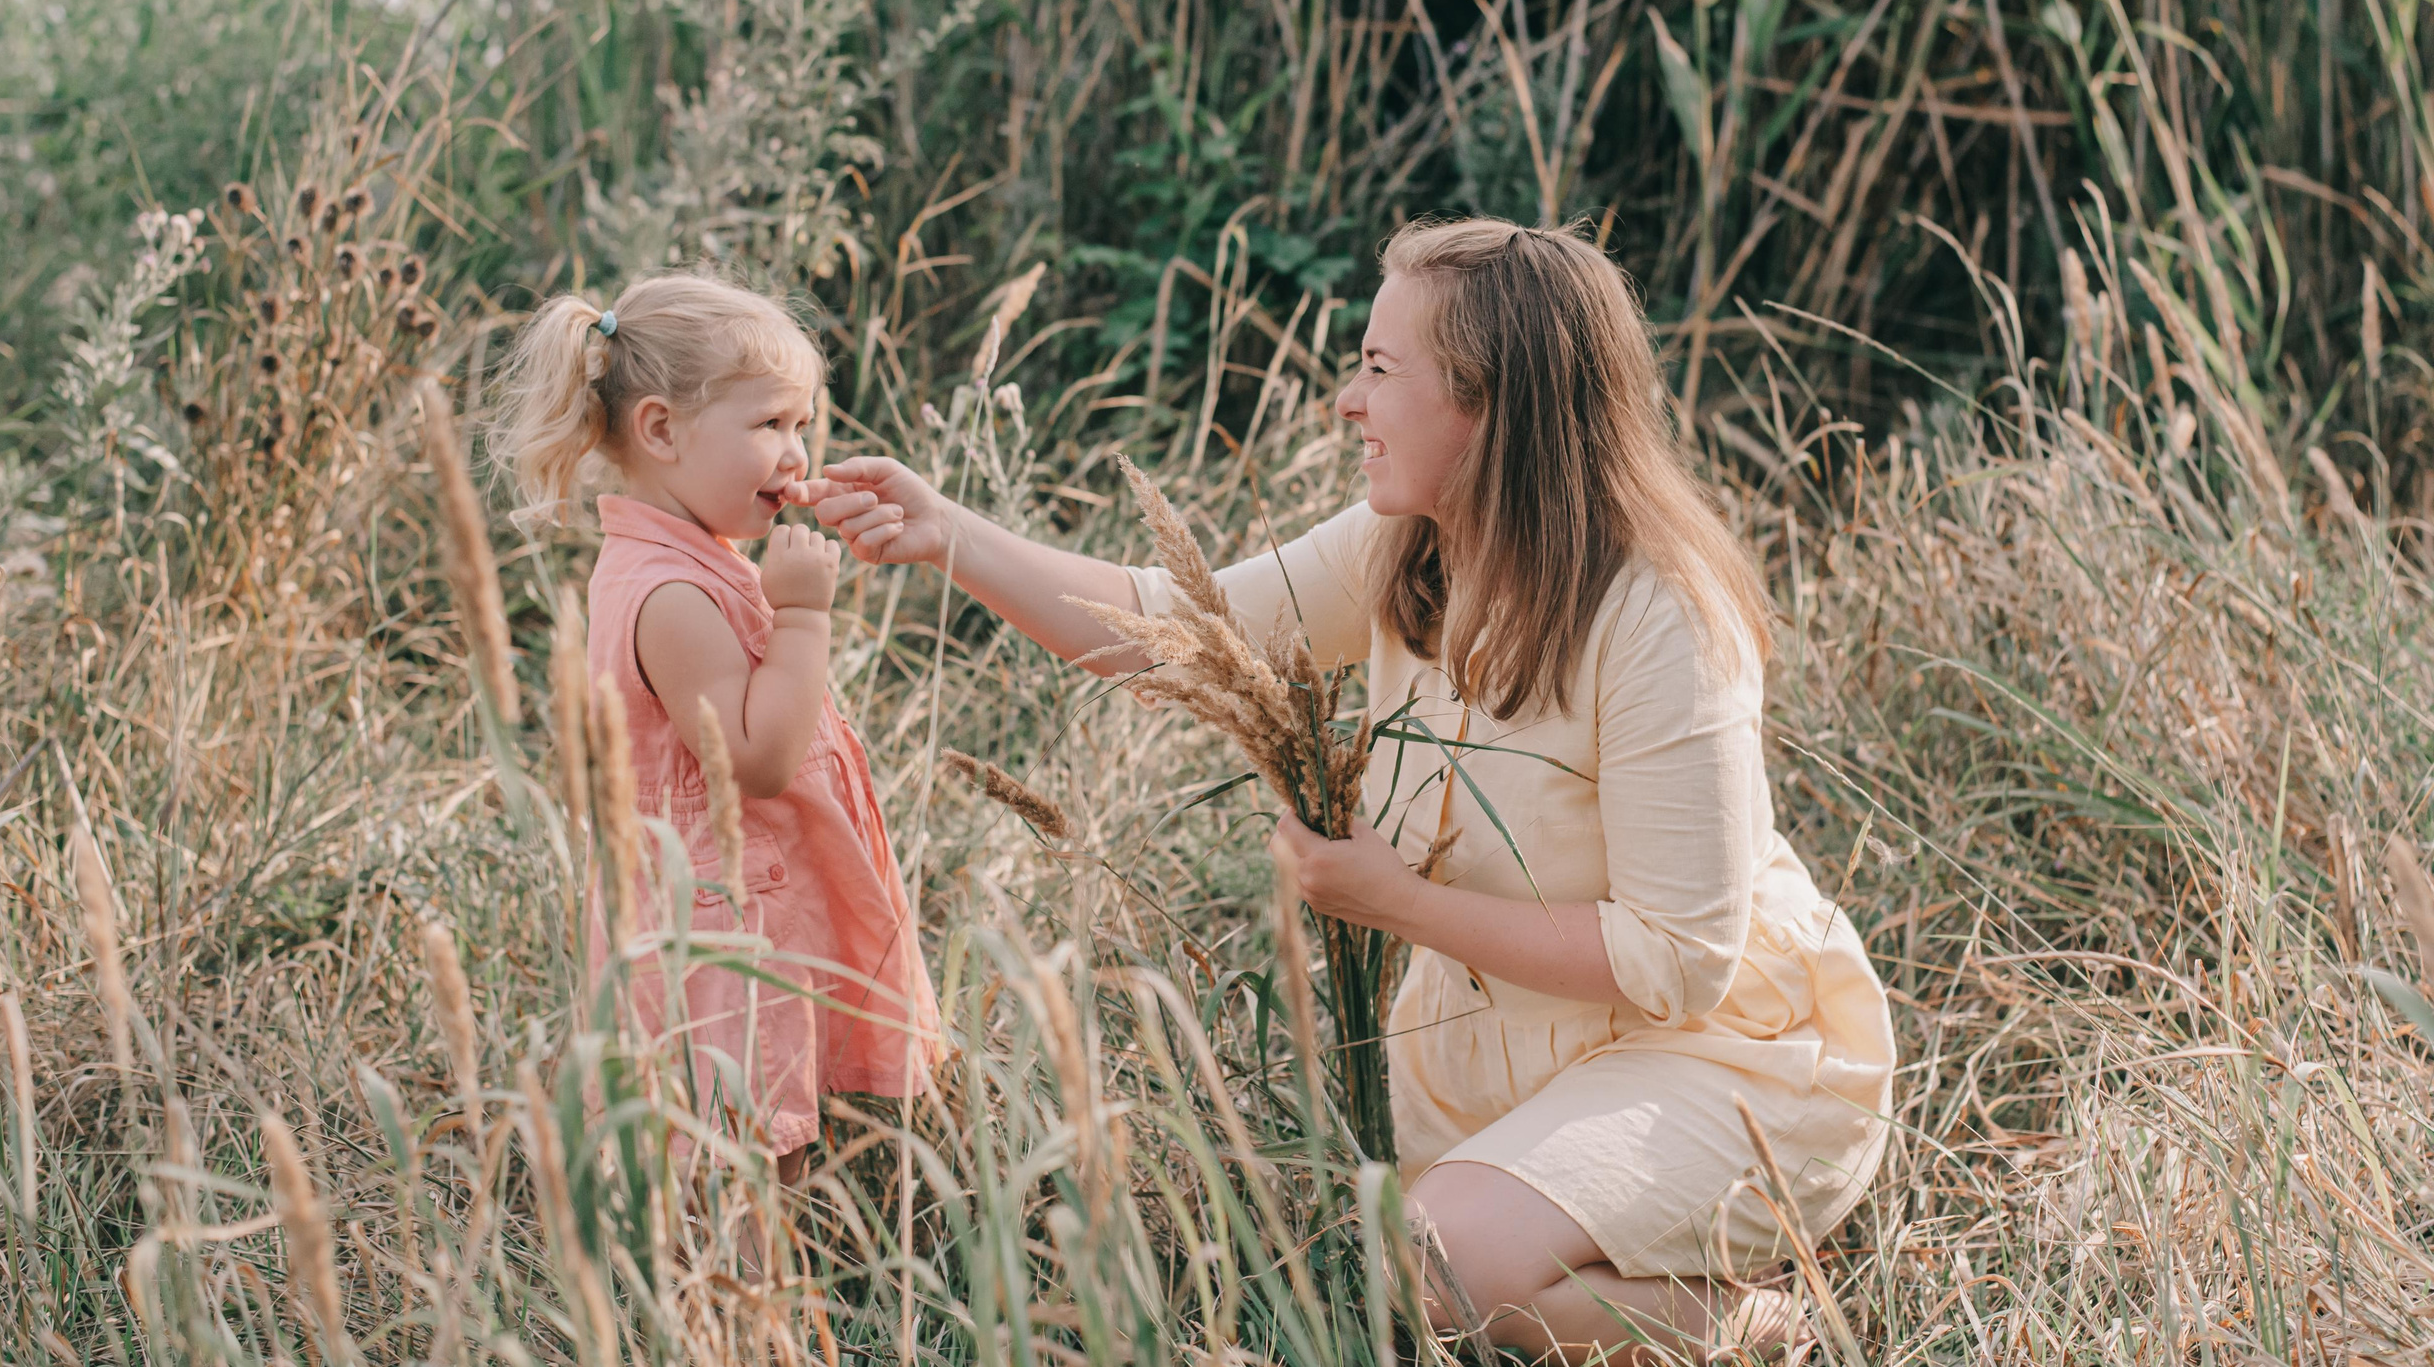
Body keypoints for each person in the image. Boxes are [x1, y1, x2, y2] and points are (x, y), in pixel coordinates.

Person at [789, 219, 1895, 1360]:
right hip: (1499, 1057)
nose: (1344, 401)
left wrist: (1399, 903)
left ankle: (1769, 1321)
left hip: (1715, 1055)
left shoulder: (1660, 614)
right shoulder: (1407, 543)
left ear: (1487, 398)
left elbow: (1679, 959)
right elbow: (1173, 630)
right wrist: (945, 532)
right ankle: (1617, 1249)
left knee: (1434, 1267)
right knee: (1346, 1260)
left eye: (1378, 368)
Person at [492, 270, 938, 1183]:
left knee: (770, 1107)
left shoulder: (697, 555)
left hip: (753, 892)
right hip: (725, 916)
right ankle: (739, 1296)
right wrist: (805, 614)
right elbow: (758, 758)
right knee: (742, 1125)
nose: (797, 456)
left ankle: (790, 1258)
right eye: (770, 424)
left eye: (803, 426)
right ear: (660, 430)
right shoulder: (671, 596)